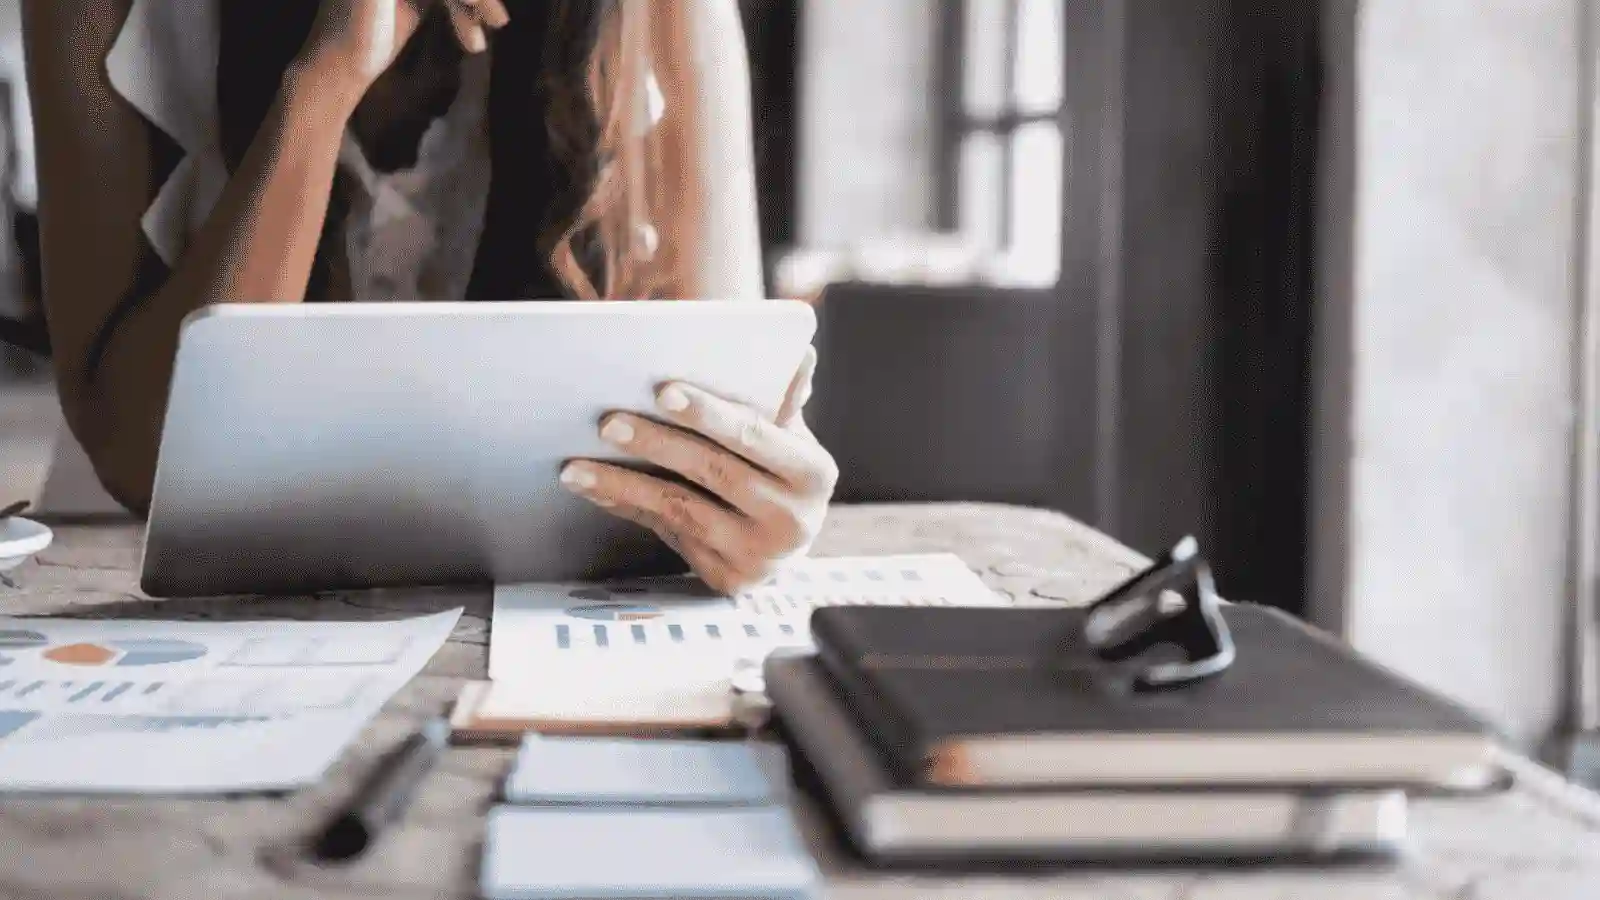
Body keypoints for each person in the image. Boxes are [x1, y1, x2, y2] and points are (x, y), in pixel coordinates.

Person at [19, 0, 838, 593]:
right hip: (137, 598)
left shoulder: (655, 16)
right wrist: (325, 80)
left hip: (517, 613)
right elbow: (143, 466)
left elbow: (725, 425)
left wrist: (754, 512)